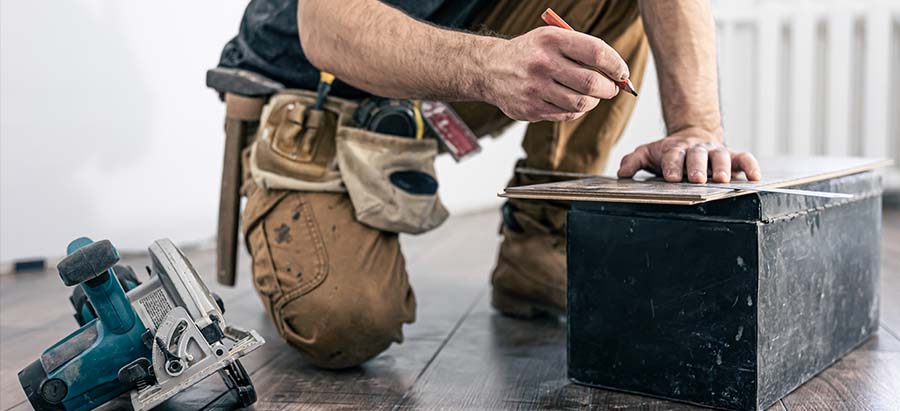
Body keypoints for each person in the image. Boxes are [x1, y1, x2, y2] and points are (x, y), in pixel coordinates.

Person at [217, 0, 762, 369]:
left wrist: (695, 126)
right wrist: (490, 66)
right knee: (347, 325)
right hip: (319, 89)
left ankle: (541, 239)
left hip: (438, 70)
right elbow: (327, 25)